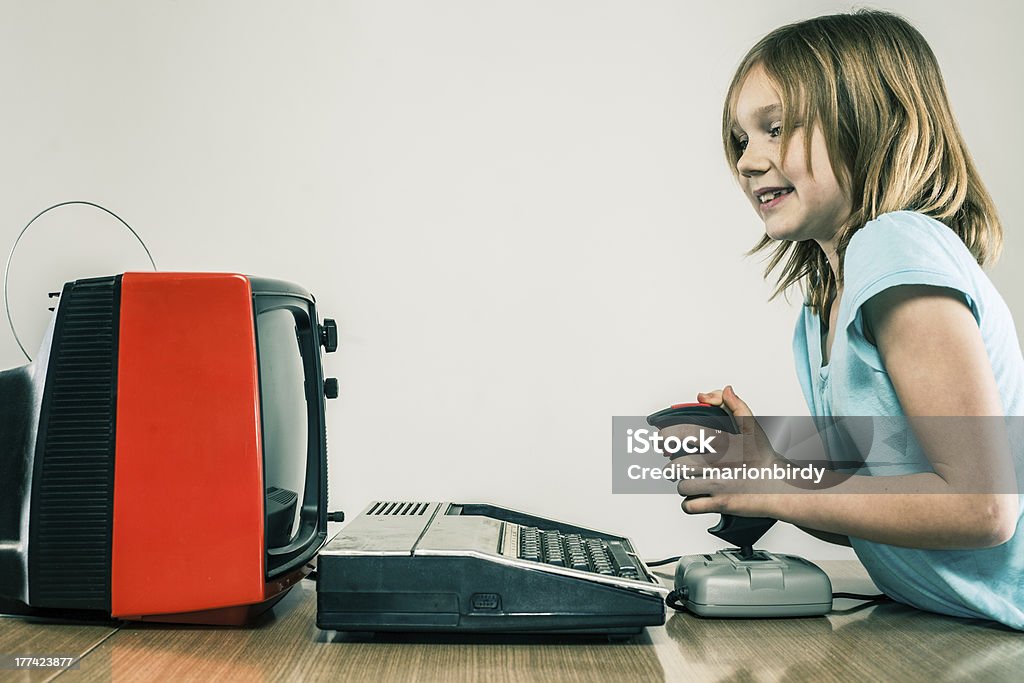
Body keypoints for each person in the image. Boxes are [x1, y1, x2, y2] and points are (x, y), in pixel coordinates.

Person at [662, 10, 1024, 629]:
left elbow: (983, 507)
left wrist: (772, 488)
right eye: (741, 140)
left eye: (774, 129)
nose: (749, 162)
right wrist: (773, 471)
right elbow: (890, 507)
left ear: (869, 123)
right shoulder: (822, 302)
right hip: (943, 624)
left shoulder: (894, 244)